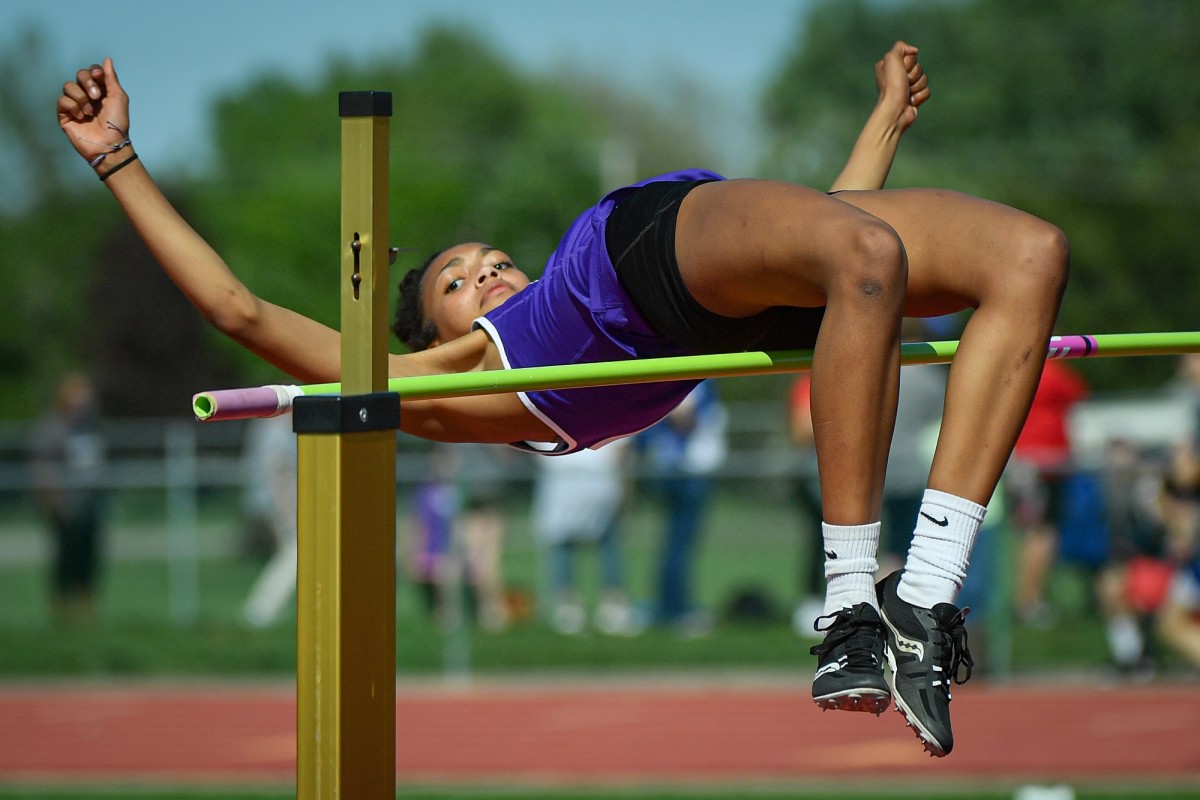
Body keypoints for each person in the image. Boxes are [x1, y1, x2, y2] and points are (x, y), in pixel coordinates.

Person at [58, 41, 1069, 757]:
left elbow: (845, 251)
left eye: (497, 258)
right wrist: (116, 158)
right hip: (649, 257)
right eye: (461, 279)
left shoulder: (549, 336)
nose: (493, 273)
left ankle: (923, 598)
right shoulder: (449, 387)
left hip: (715, 298)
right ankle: (852, 604)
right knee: (860, 251)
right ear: (433, 335)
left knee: (1026, 256)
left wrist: (883, 119)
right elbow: (239, 308)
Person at [637, 379, 727, 636]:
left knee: (677, 544)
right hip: (682, 470)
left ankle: (671, 606)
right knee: (678, 545)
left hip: (684, 469)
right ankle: (674, 609)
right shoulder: (688, 375)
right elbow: (682, 415)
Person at [1005, 358, 1089, 627]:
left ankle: (1025, 597)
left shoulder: (1019, 366)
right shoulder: (1052, 369)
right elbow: (1079, 391)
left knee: (1027, 532)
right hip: (1047, 463)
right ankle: (1030, 600)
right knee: (1043, 532)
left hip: (1022, 459)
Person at [532, 439, 639, 635]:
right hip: (570, 473)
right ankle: (574, 607)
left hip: (592, 473)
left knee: (601, 542)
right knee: (567, 543)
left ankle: (604, 606)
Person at [29, 372, 107, 624]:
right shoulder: (52, 428)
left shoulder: (90, 427)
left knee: (90, 559)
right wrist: (54, 504)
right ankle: (62, 610)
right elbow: (43, 470)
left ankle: (87, 608)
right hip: (66, 508)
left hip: (90, 506)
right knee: (66, 559)